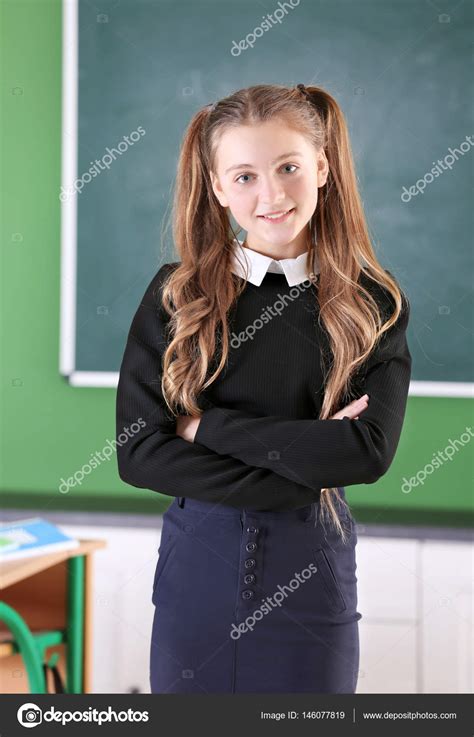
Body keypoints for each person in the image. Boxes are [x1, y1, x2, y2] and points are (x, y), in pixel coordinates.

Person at [115, 83, 412, 694]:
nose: (272, 194)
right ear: (218, 187)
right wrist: (309, 457)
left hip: (311, 576)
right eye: (244, 176)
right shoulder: (176, 295)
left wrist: (205, 427)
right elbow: (140, 453)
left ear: (323, 167)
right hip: (195, 579)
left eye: (289, 167)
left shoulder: (370, 303)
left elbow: (366, 454)